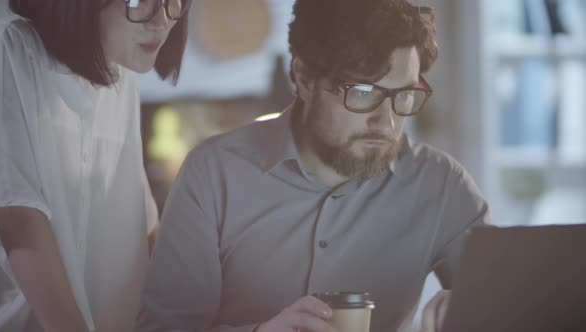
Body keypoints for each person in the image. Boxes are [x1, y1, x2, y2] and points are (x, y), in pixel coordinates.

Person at [137, 0, 491, 331]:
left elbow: (509, 310)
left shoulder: (441, 185)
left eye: (404, 95)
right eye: (363, 93)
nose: (387, 124)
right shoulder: (213, 174)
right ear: (303, 77)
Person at [0, 0, 190, 331]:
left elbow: (142, 224)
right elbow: (18, 217)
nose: (161, 22)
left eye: (172, 1)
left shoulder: (120, 72)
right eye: (138, 1)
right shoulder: (12, 45)